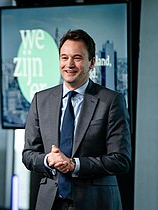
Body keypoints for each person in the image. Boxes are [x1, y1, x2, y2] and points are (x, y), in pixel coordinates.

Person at [22, 29, 131, 210]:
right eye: (64, 58)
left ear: (92, 63)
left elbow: (121, 160)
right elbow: (28, 155)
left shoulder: (111, 101)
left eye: (77, 58)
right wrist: (49, 160)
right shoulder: (41, 100)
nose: (69, 64)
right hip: (50, 203)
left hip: (96, 203)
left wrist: (74, 165)